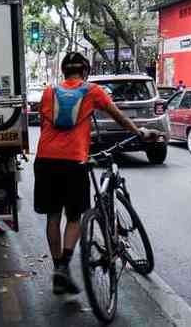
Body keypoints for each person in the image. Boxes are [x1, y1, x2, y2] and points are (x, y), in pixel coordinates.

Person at [35, 52, 159, 295]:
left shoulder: (49, 92)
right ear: (85, 71)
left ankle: (57, 267)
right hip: (73, 161)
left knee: (53, 216)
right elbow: (119, 117)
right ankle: (64, 266)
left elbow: (43, 125)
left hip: (45, 159)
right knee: (74, 217)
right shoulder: (92, 91)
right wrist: (140, 132)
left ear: (64, 71)